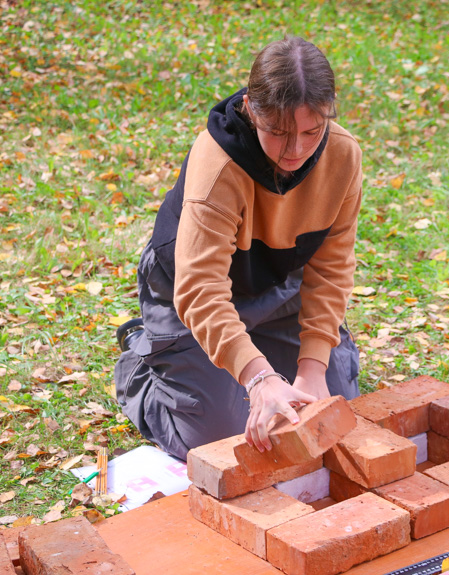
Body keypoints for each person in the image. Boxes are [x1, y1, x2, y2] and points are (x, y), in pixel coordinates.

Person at [113, 36, 362, 461]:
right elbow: (200, 290)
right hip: (189, 293)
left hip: (275, 287)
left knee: (327, 410)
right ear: (250, 108)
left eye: (311, 131)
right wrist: (259, 378)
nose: (296, 150)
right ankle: (140, 361)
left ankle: (290, 359)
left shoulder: (342, 156)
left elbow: (330, 269)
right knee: (219, 439)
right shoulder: (219, 167)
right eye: (278, 132)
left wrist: (314, 366)